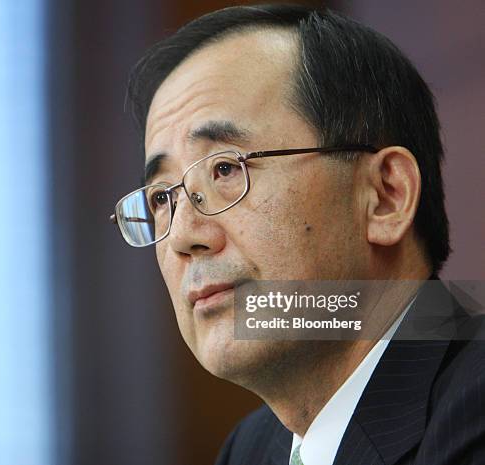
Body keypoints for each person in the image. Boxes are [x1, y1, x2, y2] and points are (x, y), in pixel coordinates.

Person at [110, 4, 485, 464]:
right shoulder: (250, 448)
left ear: (385, 196)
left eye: (225, 169)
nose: (184, 237)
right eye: (162, 198)